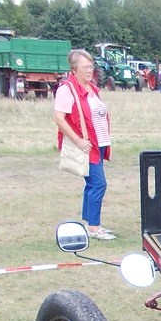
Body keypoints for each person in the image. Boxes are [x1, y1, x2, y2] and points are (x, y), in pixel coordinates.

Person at [53, 49, 114, 240]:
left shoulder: (91, 88)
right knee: (98, 184)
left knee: (91, 185)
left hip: (99, 143)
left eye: (91, 66)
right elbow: (59, 117)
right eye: (85, 67)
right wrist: (78, 140)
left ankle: (90, 224)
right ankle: (94, 227)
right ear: (74, 68)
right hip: (87, 146)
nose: (90, 70)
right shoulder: (67, 89)